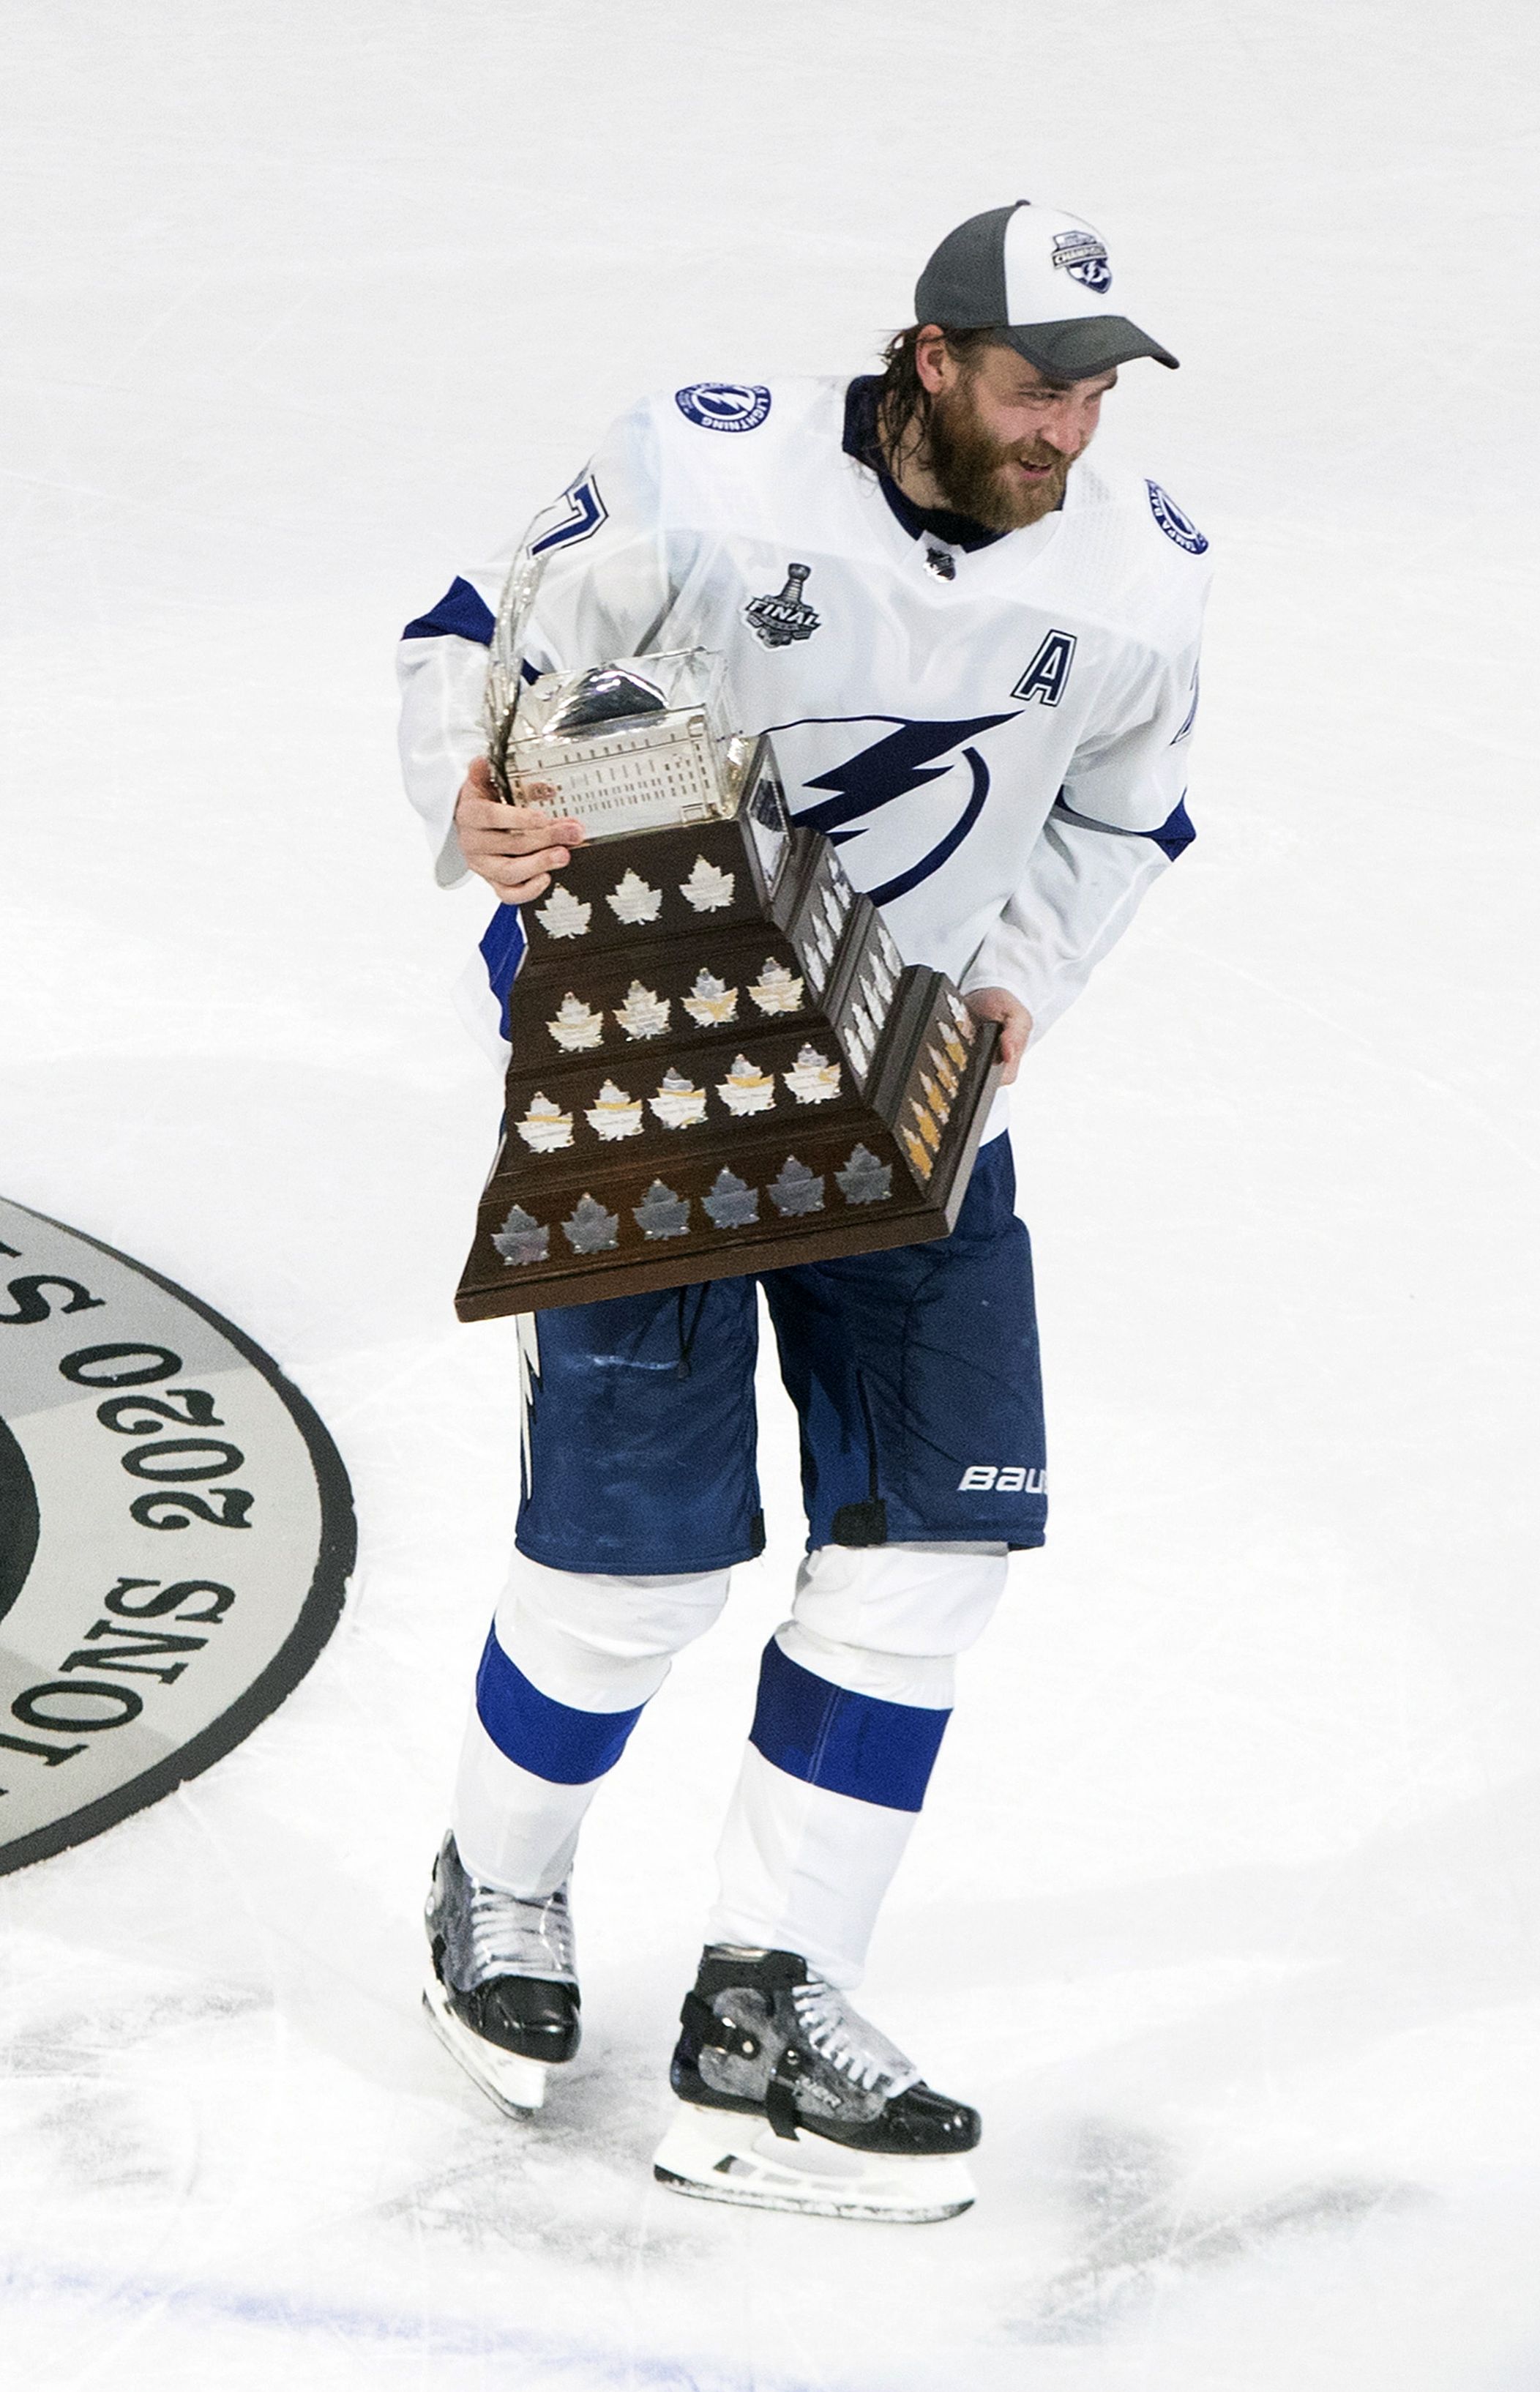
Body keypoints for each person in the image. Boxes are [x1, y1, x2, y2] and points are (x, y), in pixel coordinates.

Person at [396, 199, 1210, 2221]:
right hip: (659, 1051)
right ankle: (494, 1880)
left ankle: (769, 2012)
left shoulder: (1134, 578)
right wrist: (475, 798)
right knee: (636, 1562)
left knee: (938, 1536)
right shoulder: (709, 469)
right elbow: (473, 651)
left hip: (915, 1067)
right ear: (929, 355)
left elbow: (1123, 803)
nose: (1069, 428)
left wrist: (1023, 967)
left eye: (1099, 387)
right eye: (1036, 382)